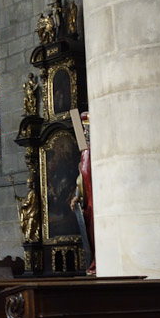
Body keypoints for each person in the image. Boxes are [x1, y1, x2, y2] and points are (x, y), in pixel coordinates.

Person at [70, 111, 95, 274]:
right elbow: (81, 178)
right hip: (89, 204)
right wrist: (77, 196)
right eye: (83, 131)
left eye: (87, 130)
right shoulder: (85, 153)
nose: (85, 134)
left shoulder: (97, 152)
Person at [14, 176, 42, 243]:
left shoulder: (33, 192)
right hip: (29, 213)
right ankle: (28, 238)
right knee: (28, 226)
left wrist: (23, 206)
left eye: (29, 183)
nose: (28, 185)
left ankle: (30, 238)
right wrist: (19, 198)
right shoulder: (30, 192)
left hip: (33, 212)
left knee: (31, 226)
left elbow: (28, 202)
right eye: (27, 184)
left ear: (32, 184)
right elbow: (25, 199)